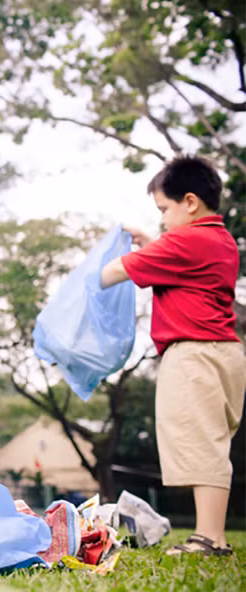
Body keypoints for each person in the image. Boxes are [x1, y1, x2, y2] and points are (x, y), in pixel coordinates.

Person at [100, 156, 246, 557]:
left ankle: (211, 539)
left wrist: (101, 261)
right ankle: (210, 534)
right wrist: (151, 239)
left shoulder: (185, 241)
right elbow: (173, 260)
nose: (163, 220)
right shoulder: (219, 240)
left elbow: (112, 273)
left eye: (165, 210)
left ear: (191, 202)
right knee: (213, 442)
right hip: (226, 352)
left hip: (194, 352)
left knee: (202, 444)